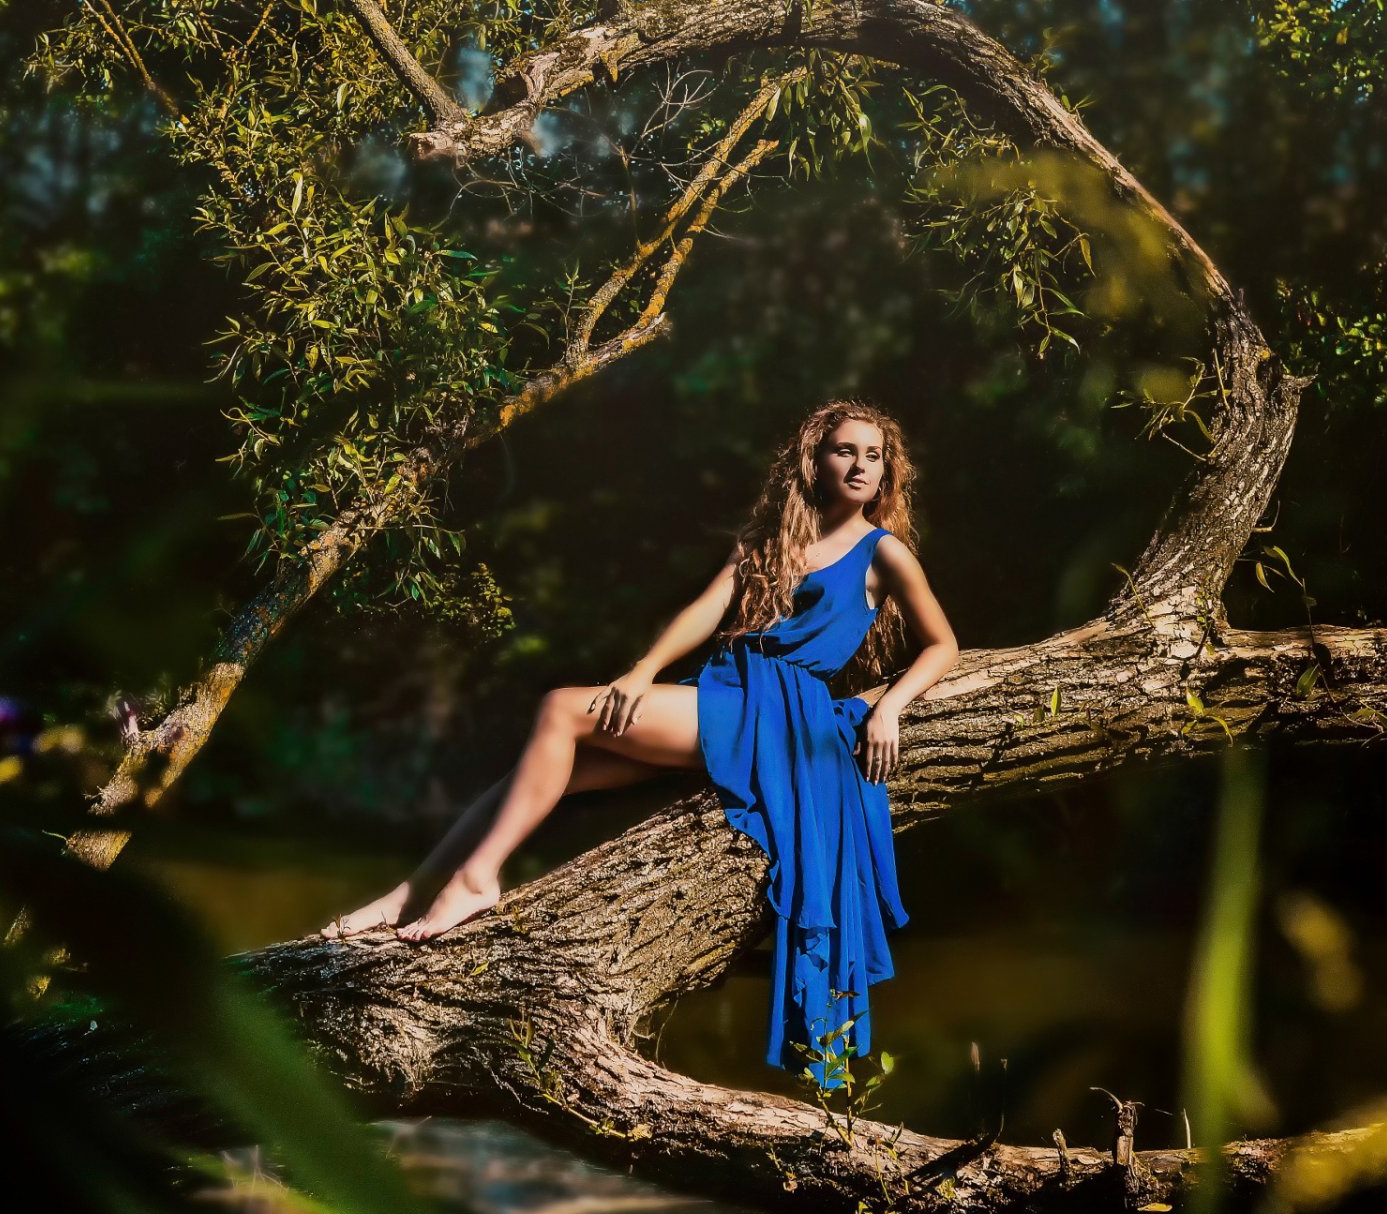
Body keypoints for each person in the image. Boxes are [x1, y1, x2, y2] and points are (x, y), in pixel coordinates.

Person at [320, 399, 959, 1084]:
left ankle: (477, 878)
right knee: (544, 771)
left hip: (782, 717)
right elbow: (705, 611)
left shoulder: (883, 551)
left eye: (873, 454)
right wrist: (643, 668)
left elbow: (944, 644)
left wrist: (890, 706)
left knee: (561, 709)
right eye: (844, 450)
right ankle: (411, 891)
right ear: (816, 459)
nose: (859, 464)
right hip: (734, 694)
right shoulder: (769, 539)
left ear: (887, 469)